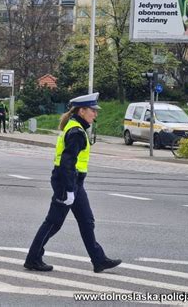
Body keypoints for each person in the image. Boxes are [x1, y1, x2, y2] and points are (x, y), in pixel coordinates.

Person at [24, 92, 122, 273]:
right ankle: (33, 258)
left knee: (87, 221)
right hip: (67, 182)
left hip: (75, 182)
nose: (96, 114)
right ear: (82, 110)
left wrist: (74, 187)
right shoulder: (76, 131)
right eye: (93, 110)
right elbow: (67, 163)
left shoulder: (77, 127)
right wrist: (69, 190)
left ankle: (98, 260)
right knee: (53, 223)